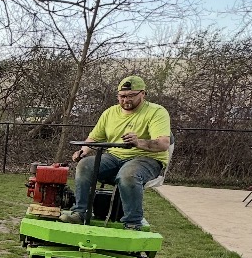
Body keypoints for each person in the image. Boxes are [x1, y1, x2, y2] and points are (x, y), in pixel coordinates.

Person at [60, 75, 171, 230]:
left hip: (147, 159)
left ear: (143, 94)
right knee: (85, 165)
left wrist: (138, 142)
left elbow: (163, 144)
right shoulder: (110, 113)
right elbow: (94, 137)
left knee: (128, 174)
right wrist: (83, 151)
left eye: (131, 96)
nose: (126, 100)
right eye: (122, 96)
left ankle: (132, 222)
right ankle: (80, 213)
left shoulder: (156, 112)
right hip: (114, 157)